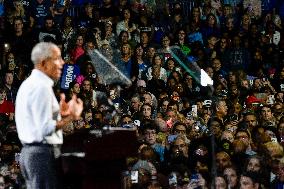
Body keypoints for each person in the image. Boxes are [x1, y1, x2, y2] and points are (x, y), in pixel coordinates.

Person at [15, 42, 83, 189]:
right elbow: (44, 129)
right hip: (41, 155)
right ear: (44, 62)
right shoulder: (41, 87)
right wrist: (71, 116)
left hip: (31, 154)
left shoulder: (29, 84)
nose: (62, 62)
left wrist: (58, 113)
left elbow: (37, 121)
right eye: (57, 58)